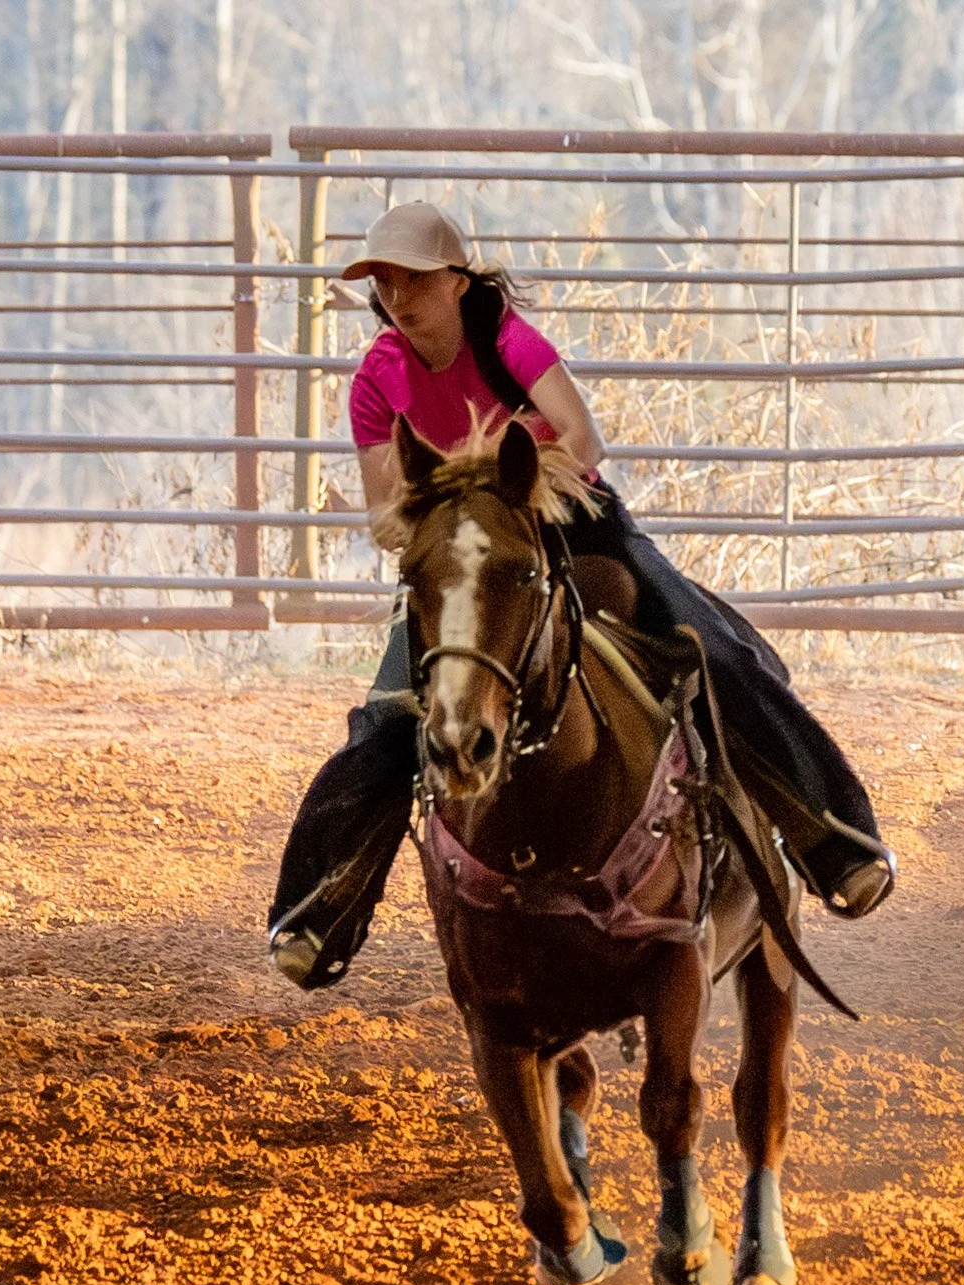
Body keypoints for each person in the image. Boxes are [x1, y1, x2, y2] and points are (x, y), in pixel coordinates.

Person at [267, 202, 895, 982]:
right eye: (384, 281)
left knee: (711, 650)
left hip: (576, 524)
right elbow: (383, 510)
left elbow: (582, 438)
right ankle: (313, 911)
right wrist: (464, 517)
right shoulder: (376, 378)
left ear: (458, 281)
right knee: (390, 719)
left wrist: (499, 483)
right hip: (465, 555)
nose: (397, 296)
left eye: (414, 279)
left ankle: (835, 840)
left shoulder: (508, 341)